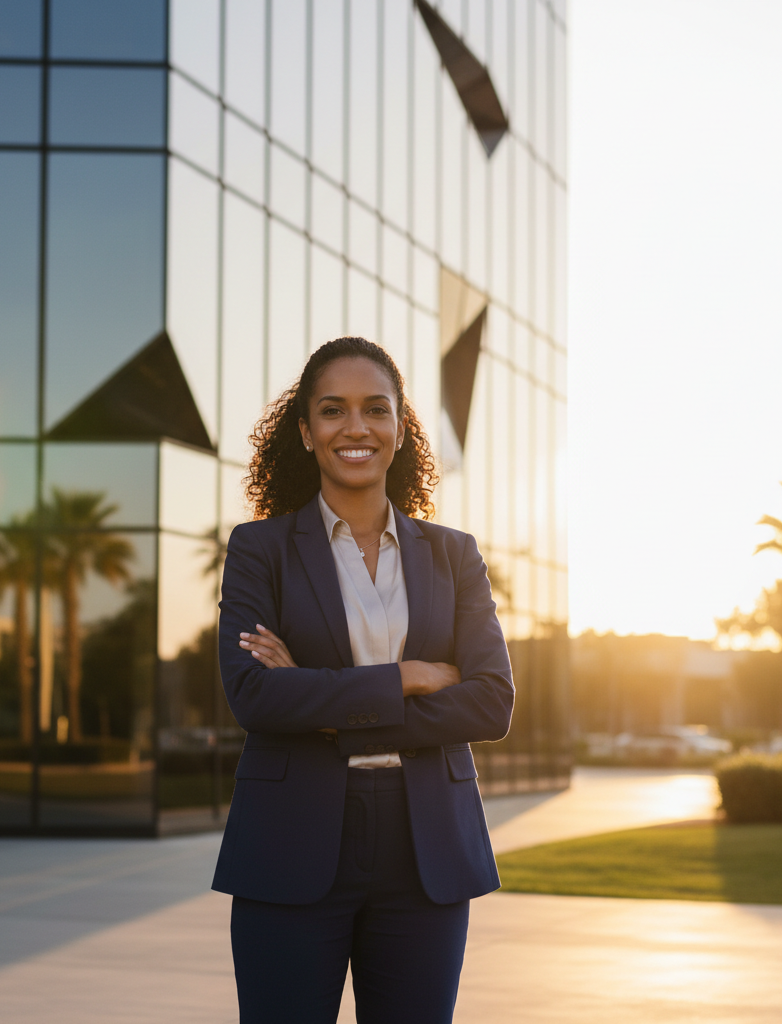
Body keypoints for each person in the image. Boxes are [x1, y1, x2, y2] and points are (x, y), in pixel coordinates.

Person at [212, 336, 514, 1023]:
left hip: (426, 849)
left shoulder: (453, 556)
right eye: (333, 410)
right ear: (306, 431)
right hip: (290, 844)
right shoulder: (259, 551)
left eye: (376, 409)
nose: (356, 428)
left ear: (402, 427)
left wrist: (321, 701)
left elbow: (492, 703)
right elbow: (255, 695)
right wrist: (407, 676)